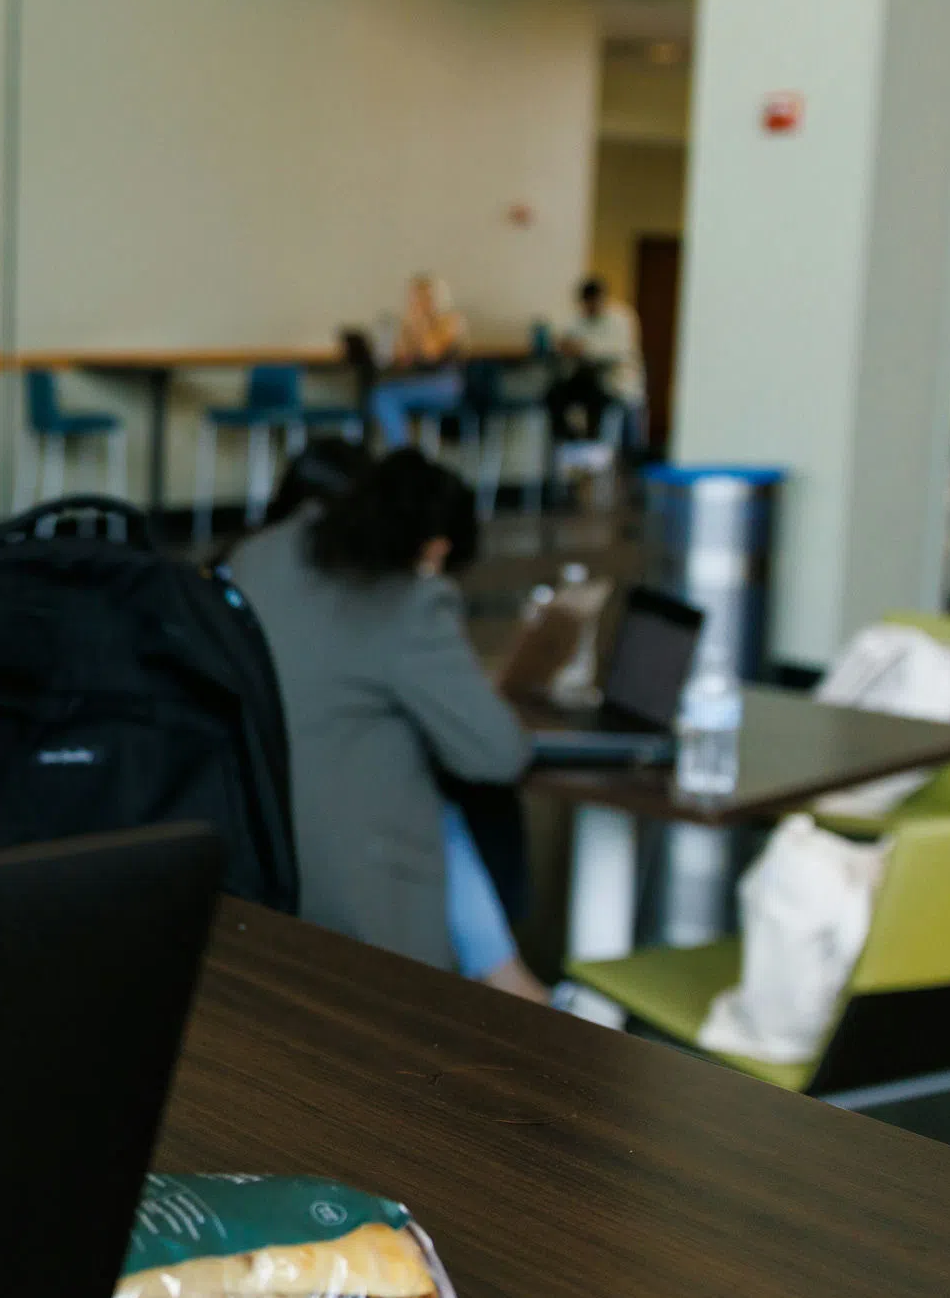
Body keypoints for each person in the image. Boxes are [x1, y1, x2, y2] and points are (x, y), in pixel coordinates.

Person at [229, 443, 545, 999]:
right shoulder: (409, 599)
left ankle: (508, 978)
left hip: (247, 846)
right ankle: (511, 984)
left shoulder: (258, 555)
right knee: (457, 794)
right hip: (351, 878)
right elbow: (496, 754)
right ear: (435, 549)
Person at [368, 273, 467, 450]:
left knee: (385, 397)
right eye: (414, 298)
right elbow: (400, 359)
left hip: (446, 384)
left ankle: (404, 457)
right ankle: (400, 454)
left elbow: (431, 353)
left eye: (423, 298)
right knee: (379, 395)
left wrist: (421, 321)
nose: (417, 303)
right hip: (417, 382)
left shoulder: (450, 321)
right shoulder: (408, 324)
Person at [549, 274, 647, 447]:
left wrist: (584, 349)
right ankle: (570, 441)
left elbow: (619, 352)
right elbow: (567, 342)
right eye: (587, 304)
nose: (591, 308)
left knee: (599, 403)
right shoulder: (578, 320)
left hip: (614, 381)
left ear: (603, 299)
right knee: (554, 394)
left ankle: (596, 449)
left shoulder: (621, 318)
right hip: (585, 378)